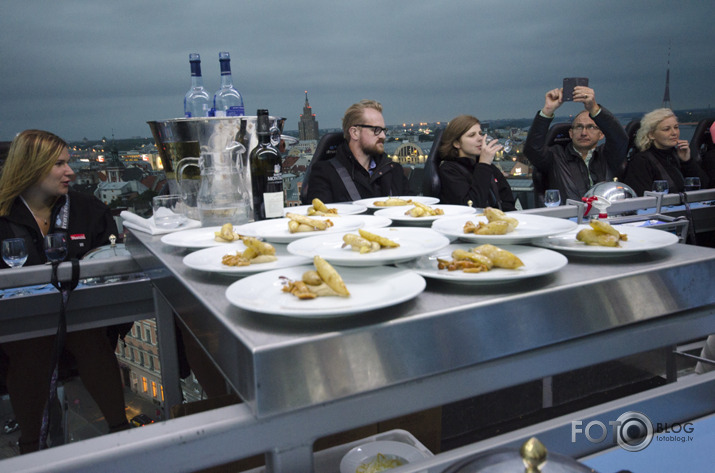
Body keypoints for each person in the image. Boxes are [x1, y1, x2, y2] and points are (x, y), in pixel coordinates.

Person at [0, 130, 129, 453]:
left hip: (84, 320)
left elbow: (110, 263)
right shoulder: (4, 218)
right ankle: (31, 446)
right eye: (58, 164)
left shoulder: (88, 210)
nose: (70, 172)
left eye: (68, 163)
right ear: (30, 167)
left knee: (87, 337)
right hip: (19, 329)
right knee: (31, 344)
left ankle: (122, 431)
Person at [524, 85, 628, 203]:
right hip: (569, 218)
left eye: (591, 127)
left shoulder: (608, 155)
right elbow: (532, 149)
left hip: (605, 216)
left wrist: (594, 108)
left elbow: (620, 139)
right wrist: (547, 110)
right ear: (571, 133)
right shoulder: (555, 157)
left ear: (601, 135)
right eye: (579, 127)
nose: (584, 133)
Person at [304, 100, 411, 203]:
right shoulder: (325, 173)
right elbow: (321, 217)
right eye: (376, 130)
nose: (383, 136)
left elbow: (411, 210)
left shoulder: (394, 170)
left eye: (383, 130)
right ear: (354, 132)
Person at [623, 108, 709, 196]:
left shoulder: (676, 154)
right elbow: (643, 200)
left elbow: (705, 188)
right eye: (666, 129)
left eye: (676, 127)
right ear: (651, 135)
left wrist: (687, 161)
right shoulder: (641, 161)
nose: (674, 133)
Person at [437, 115, 516, 210]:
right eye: (472, 135)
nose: (480, 139)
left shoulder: (488, 166)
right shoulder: (449, 170)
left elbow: (508, 200)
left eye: (480, 133)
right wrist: (484, 164)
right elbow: (472, 206)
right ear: (456, 143)